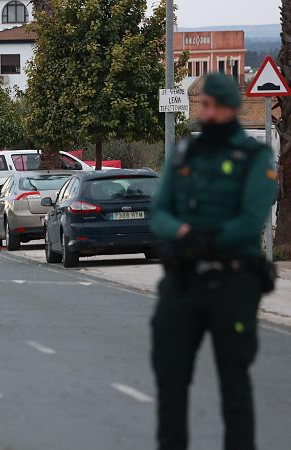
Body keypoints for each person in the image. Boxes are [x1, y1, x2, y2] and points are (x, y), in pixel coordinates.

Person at [149, 73, 277, 450]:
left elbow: (251, 219)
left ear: (228, 108)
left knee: (234, 383)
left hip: (233, 283)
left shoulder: (255, 156)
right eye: (200, 103)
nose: (202, 111)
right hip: (184, 280)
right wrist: (186, 234)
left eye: (208, 104)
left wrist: (209, 238)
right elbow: (160, 212)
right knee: (170, 380)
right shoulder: (186, 152)